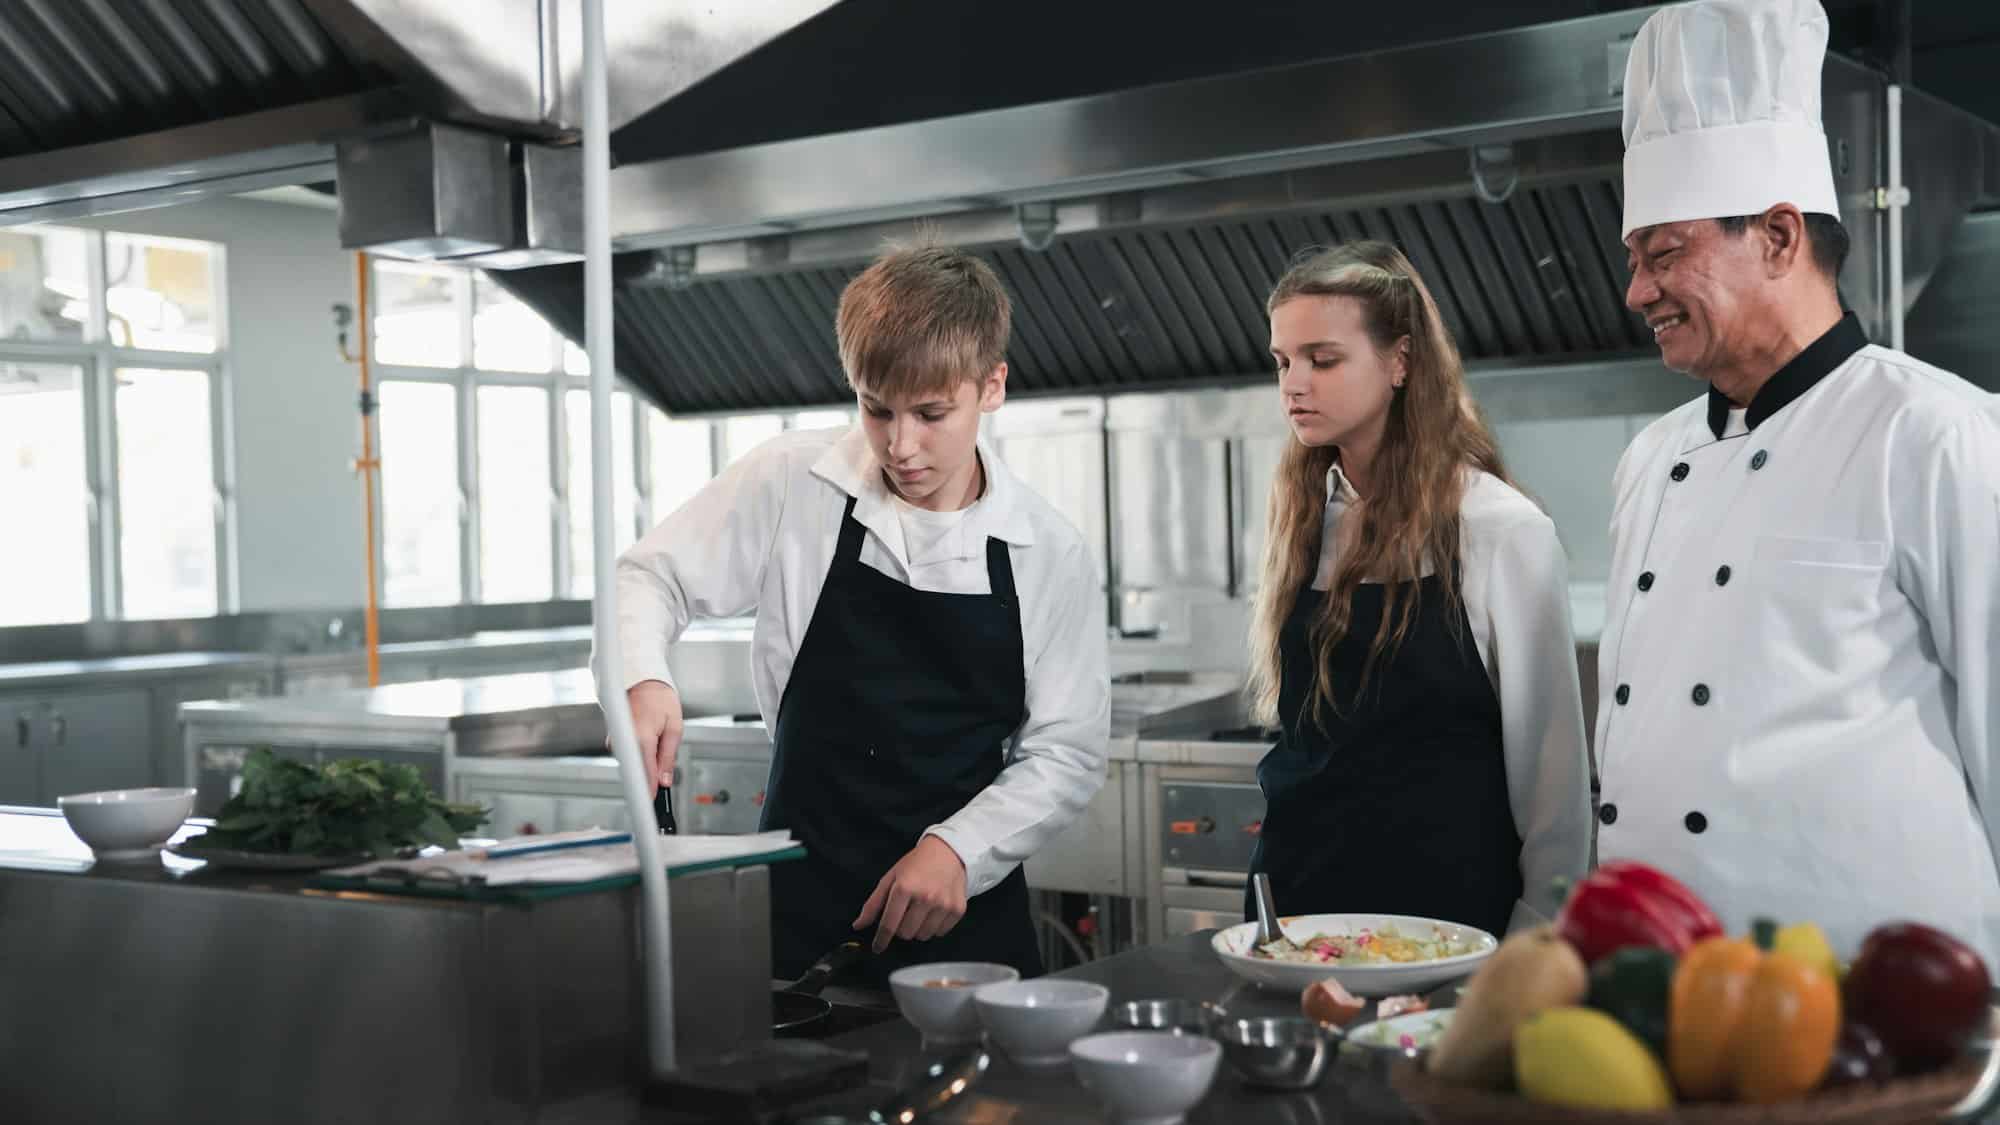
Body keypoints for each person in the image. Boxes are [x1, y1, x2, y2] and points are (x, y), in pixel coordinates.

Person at [1597, 0, 2000, 961]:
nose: (1637, 291)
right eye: (1634, 260)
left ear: (1778, 236)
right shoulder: (1650, 462)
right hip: (1667, 1006)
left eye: (1665, 254)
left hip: (1882, 1011)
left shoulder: (1933, 432)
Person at [602, 243, 1109, 984]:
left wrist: (960, 849)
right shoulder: (793, 482)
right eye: (877, 409)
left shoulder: (1047, 549)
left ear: (991, 387)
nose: (901, 446)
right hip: (795, 917)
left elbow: (1067, 751)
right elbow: (645, 577)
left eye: (932, 414)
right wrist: (644, 676)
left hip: (964, 930)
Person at [1244, 240, 1592, 939]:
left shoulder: (1499, 529)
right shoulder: (1305, 516)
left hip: (1448, 931)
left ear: (1400, 361)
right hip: (1298, 922)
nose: (1294, 384)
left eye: (1323, 358)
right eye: (1284, 361)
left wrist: (1529, 945)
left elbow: (1556, 794)